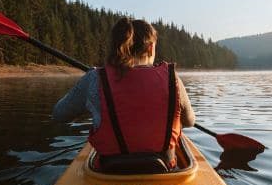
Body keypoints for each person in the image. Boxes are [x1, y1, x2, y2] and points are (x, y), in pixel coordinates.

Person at [52, 18, 195, 170]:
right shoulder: (173, 80)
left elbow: (59, 114)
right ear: (151, 48)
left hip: (107, 174)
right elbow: (190, 122)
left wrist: (92, 103)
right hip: (163, 171)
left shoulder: (94, 79)